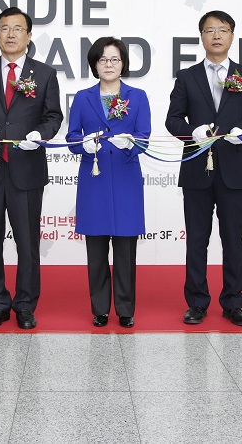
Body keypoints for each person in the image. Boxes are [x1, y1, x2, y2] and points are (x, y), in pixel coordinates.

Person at [0, 7, 63, 329]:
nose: (11, 34)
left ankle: (25, 305)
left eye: (18, 28)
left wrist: (39, 135)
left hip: (26, 170)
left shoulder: (44, 74)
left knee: (27, 243)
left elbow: (53, 116)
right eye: (5, 28)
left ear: (29, 35)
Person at [166, 10, 242, 327]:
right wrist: (191, 131)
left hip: (235, 168)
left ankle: (233, 303)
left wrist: (241, 130)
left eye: (223, 29)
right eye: (210, 30)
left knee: (233, 239)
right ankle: (196, 302)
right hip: (197, 169)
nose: (217, 35)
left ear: (232, 35)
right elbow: (172, 120)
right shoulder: (187, 76)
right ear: (202, 37)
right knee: (197, 239)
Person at [67, 37, 151, 328]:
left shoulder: (137, 96)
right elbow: (71, 137)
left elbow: (144, 137)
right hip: (94, 180)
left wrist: (132, 143)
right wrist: (83, 144)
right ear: (94, 64)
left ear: (123, 63)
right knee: (97, 248)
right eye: (103, 59)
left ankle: (125, 309)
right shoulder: (83, 98)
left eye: (114, 59)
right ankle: (100, 308)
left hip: (126, 179)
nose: (109, 64)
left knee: (126, 249)